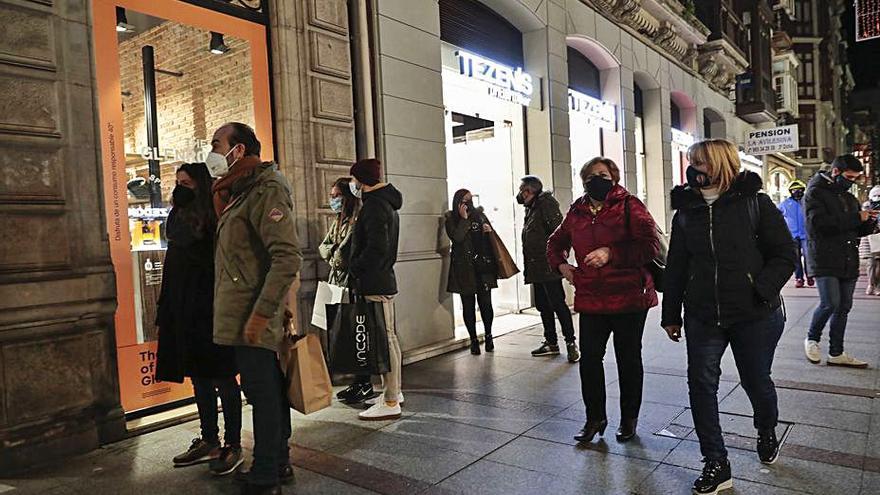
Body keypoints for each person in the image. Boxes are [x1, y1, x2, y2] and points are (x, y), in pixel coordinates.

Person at [661, 139, 795, 495]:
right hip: (703, 314)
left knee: (756, 381)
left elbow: (784, 254)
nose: (693, 168)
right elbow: (676, 266)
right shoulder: (686, 211)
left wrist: (760, 289)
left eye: (700, 162)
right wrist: (671, 313)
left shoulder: (754, 202)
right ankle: (716, 463)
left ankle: (766, 428)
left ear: (719, 163)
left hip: (754, 314)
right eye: (691, 162)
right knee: (701, 385)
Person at [210, 122, 302, 495]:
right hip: (243, 312)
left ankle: (266, 470)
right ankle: (276, 462)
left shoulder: (267, 188)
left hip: (253, 315)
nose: (212, 151)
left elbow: (286, 257)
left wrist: (262, 314)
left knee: (263, 393)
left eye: (217, 144)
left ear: (240, 149)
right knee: (266, 390)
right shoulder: (240, 192)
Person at [546, 157, 659, 445]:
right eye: (591, 175)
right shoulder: (577, 211)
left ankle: (629, 419)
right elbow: (554, 243)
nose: (597, 179)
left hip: (629, 297)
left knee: (628, 359)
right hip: (592, 298)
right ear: (583, 180)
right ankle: (595, 418)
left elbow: (649, 246)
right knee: (590, 361)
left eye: (603, 174)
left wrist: (611, 253)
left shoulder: (629, 205)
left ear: (614, 177)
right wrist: (562, 267)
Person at [156, 163, 242, 475]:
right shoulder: (179, 215)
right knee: (199, 377)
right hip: (184, 309)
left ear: (201, 185)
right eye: (178, 182)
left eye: (187, 183)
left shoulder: (213, 216)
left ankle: (233, 443)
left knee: (222, 377)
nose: (181, 188)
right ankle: (209, 439)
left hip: (210, 308)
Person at [803, 155, 879, 368]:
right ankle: (812, 338)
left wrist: (871, 222)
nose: (852, 181)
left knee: (844, 306)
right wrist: (857, 218)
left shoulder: (847, 197)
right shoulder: (814, 193)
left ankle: (836, 352)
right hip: (824, 257)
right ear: (835, 172)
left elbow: (855, 230)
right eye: (849, 177)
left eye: (855, 178)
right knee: (830, 302)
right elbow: (818, 225)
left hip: (847, 258)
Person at [346, 158, 405, 421]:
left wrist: (355, 267)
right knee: (388, 338)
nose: (352, 184)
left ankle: (391, 399)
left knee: (384, 340)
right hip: (382, 280)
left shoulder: (374, 206)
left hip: (375, 281)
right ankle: (393, 392)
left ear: (362, 180)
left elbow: (376, 248)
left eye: (354, 179)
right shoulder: (385, 203)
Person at [319, 178, 374, 404]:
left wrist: (334, 254)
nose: (333, 200)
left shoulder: (357, 220)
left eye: (336, 196)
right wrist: (333, 254)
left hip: (353, 285)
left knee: (358, 334)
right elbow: (323, 247)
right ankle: (356, 382)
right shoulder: (339, 221)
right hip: (337, 284)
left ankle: (364, 382)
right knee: (344, 334)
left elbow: (342, 257)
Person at [518, 176, 579, 363]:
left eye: (522, 190)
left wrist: (560, 259)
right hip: (536, 267)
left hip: (548, 266)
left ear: (531, 191)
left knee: (558, 305)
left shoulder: (546, 205)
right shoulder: (532, 208)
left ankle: (571, 343)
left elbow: (560, 234)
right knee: (543, 306)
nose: (520, 194)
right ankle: (551, 342)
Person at [445, 189, 498, 355]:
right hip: (464, 269)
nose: (468, 204)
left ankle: (489, 336)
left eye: (470, 200)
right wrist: (464, 220)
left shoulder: (480, 216)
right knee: (468, 306)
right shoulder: (451, 219)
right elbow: (457, 238)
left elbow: (492, 240)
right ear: (457, 203)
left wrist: (489, 232)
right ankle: (473, 340)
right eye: (464, 201)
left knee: (486, 305)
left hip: (482, 268)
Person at [778, 179, 812, 288]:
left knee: (808, 257)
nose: (797, 192)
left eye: (799, 190)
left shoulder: (807, 202)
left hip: (806, 235)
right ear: (790, 191)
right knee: (796, 259)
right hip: (792, 235)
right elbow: (776, 216)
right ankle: (799, 278)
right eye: (794, 190)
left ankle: (810, 275)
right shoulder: (784, 204)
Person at [863, 185, 880, 296]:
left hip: (878, 237)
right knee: (870, 263)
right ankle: (870, 284)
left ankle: (877, 286)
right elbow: (863, 221)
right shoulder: (866, 206)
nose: (877, 197)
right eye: (875, 195)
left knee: (879, 263)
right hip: (869, 237)